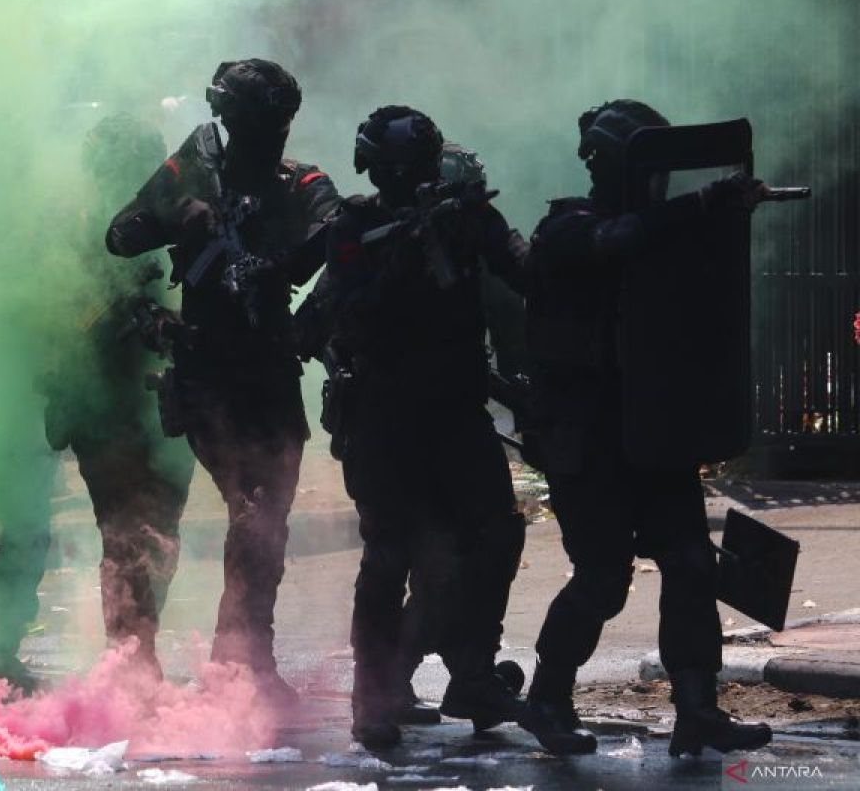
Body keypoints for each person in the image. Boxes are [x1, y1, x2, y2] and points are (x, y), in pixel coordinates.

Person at [520, 99, 773, 756]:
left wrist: (723, 212)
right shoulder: (565, 228)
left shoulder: (664, 230)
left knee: (690, 564)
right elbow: (614, 241)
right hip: (588, 438)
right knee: (603, 577)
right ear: (609, 164)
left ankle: (698, 710)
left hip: (654, 431)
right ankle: (547, 699)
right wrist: (700, 206)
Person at [105, 59, 340, 705]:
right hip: (208, 375)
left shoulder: (300, 182)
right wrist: (181, 213)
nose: (275, 134)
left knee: (267, 521)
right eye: (264, 121)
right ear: (235, 120)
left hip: (269, 373)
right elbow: (120, 237)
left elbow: (336, 233)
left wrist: (283, 265)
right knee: (252, 514)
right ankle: (235, 666)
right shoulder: (192, 175)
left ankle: (243, 659)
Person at [310, 106, 527, 748]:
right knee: (390, 555)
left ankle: (474, 673)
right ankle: (372, 695)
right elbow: (344, 313)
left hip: (456, 415)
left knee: (493, 537)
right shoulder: (355, 226)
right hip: (384, 419)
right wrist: (403, 254)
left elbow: (527, 271)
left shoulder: (464, 219)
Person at [43, 113, 195, 679]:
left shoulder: (175, 223)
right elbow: (51, 315)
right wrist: (114, 314)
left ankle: (136, 645)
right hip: (102, 404)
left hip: (165, 401)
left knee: (162, 531)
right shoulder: (74, 231)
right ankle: (132, 659)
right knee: (125, 531)